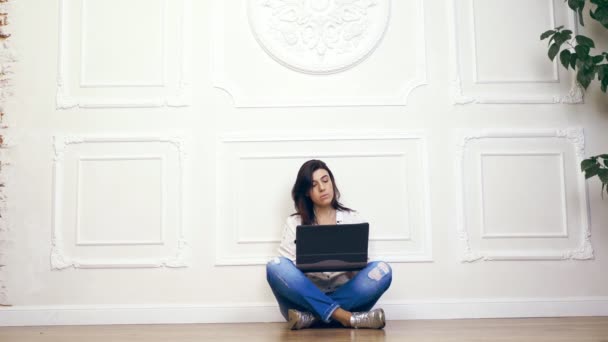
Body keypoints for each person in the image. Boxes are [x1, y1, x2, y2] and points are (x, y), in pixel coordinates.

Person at [266, 159, 392, 330]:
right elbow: (287, 271)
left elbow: (366, 264)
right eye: (313, 185)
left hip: (345, 297)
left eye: (325, 180)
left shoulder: (353, 219)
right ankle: (345, 317)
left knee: (383, 270)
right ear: (306, 193)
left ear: (332, 182)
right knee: (275, 266)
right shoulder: (294, 222)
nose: (322, 188)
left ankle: (312, 317)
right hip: (303, 300)